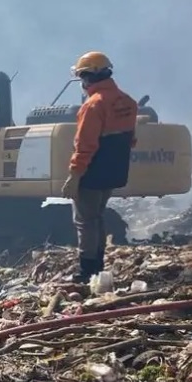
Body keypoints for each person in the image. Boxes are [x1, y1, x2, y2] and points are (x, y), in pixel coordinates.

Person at [60, 51, 138, 283]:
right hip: (115, 170)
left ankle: (87, 270)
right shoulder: (127, 101)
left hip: (93, 171)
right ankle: (98, 266)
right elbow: (131, 137)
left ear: (87, 77)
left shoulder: (93, 106)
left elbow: (85, 145)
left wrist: (74, 176)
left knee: (85, 221)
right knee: (97, 217)